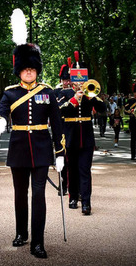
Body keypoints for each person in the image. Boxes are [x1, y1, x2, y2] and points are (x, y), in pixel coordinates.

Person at [0, 11, 65, 259]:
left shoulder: (48, 92)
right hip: (19, 148)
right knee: (20, 194)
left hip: (43, 149)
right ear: (19, 71)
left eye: (32, 69)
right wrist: (1, 120)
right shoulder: (11, 93)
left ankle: (38, 242)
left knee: (39, 195)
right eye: (24, 69)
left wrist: (60, 153)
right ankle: (21, 232)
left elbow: (57, 124)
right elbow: (1, 111)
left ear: (37, 70)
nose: (28, 72)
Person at [59, 79, 105, 215]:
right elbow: (60, 110)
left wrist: (91, 96)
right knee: (72, 170)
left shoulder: (90, 95)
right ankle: (73, 197)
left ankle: (86, 202)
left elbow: (102, 108)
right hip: (70, 137)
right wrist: (74, 99)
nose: (79, 84)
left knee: (85, 170)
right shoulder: (64, 93)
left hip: (86, 138)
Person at [55, 62, 73, 196]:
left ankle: (74, 187)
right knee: (62, 158)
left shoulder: (77, 91)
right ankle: (63, 185)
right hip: (60, 129)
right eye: (65, 79)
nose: (67, 82)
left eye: (69, 79)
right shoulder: (56, 92)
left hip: (74, 128)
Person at [124, 80, 136, 161]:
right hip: (133, 121)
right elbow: (125, 110)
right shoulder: (130, 101)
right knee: (133, 139)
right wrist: (129, 112)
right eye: (135, 92)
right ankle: (133, 155)